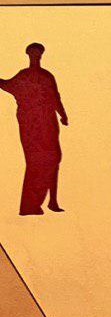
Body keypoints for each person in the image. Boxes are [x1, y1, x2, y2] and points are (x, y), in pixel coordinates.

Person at [0, 43, 69, 216]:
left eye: (38, 54)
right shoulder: (23, 76)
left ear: (41, 56)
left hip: (48, 123)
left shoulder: (47, 76)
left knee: (54, 157)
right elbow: (6, 84)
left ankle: (52, 201)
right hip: (31, 125)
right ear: (28, 55)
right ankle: (30, 205)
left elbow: (55, 97)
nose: (35, 57)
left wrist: (63, 114)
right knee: (36, 161)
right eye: (32, 54)